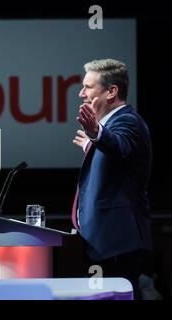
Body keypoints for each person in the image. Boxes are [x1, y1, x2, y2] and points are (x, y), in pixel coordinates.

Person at [72, 58, 152, 299]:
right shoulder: (111, 127)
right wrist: (93, 144)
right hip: (102, 241)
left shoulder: (128, 121)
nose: (81, 93)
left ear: (111, 91)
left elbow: (119, 146)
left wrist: (97, 134)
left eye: (88, 87)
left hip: (117, 240)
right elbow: (116, 156)